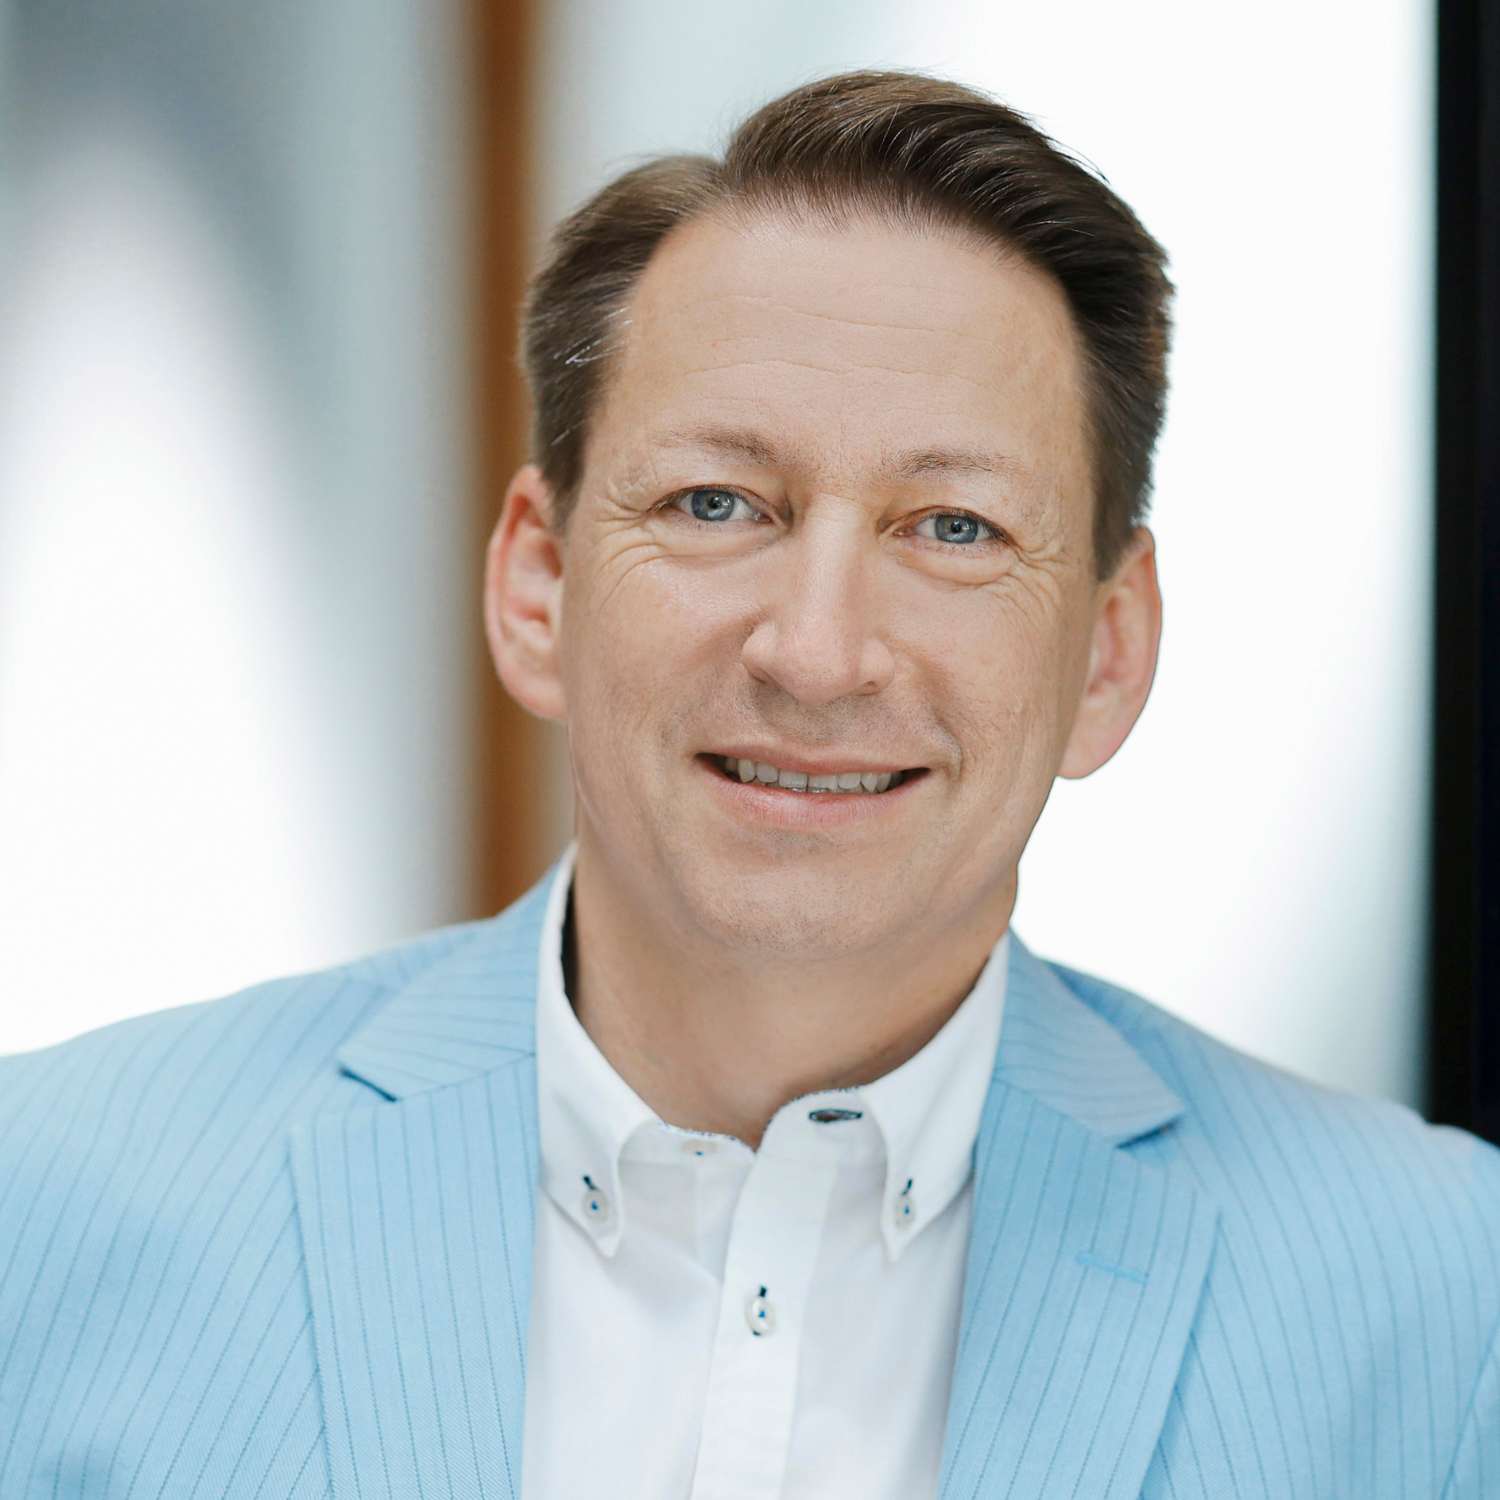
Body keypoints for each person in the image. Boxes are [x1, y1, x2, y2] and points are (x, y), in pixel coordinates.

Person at [0, 71, 1494, 1500]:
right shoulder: (43, 1204)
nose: (819, 654)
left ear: (1108, 653)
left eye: (955, 528)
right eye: (717, 503)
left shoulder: (1447, 1298)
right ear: (538, 586)